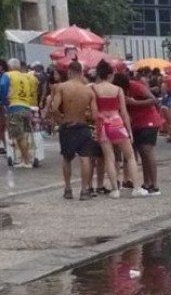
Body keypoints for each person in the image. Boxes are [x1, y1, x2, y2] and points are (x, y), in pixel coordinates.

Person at [89, 60, 141, 198]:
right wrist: (129, 130)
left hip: (102, 125)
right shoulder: (118, 90)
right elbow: (124, 112)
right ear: (111, 75)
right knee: (130, 156)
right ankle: (136, 187)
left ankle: (115, 190)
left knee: (109, 158)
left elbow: (94, 112)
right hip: (117, 123)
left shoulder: (93, 89)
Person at [49, 61, 98, 200]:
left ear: (69, 72)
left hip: (67, 126)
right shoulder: (89, 91)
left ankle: (68, 189)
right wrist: (84, 115)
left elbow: (54, 108)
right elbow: (94, 115)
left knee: (67, 158)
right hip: (82, 126)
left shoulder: (62, 87)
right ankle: (84, 191)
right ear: (81, 73)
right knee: (85, 158)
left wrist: (61, 118)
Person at [118, 70, 163, 196]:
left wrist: (135, 103)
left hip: (149, 121)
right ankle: (147, 183)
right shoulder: (120, 91)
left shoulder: (136, 87)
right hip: (136, 124)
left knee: (147, 151)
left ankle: (154, 184)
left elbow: (153, 100)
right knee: (142, 154)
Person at [2, 58, 40, 168]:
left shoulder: (8, 75)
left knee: (19, 137)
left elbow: (3, 87)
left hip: (14, 107)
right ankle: (24, 160)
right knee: (24, 135)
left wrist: (3, 100)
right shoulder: (26, 77)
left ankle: (27, 161)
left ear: (9, 67)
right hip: (26, 107)